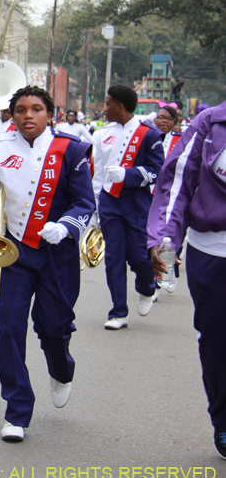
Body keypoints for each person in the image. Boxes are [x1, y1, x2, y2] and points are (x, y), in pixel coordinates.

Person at [0, 85, 94, 443]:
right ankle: (17, 411)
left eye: (37, 108)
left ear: (49, 114)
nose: (29, 115)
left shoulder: (70, 150)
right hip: (14, 252)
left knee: (54, 327)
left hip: (56, 251)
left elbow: (85, 202)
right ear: (12, 115)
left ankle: (61, 369)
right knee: (9, 329)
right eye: (21, 109)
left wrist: (65, 226)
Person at [147, 100, 226, 459]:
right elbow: (176, 184)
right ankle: (224, 421)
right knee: (217, 343)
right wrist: (165, 238)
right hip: (214, 254)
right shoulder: (211, 124)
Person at [92, 84, 164, 329]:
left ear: (119, 107)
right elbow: (99, 172)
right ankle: (118, 312)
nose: (104, 108)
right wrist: (94, 205)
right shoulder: (101, 134)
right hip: (109, 201)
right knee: (113, 257)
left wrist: (128, 174)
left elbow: (157, 171)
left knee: (139, 256)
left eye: (108, 104)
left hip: (137, 202)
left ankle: (147, 287)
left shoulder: (150, 134)